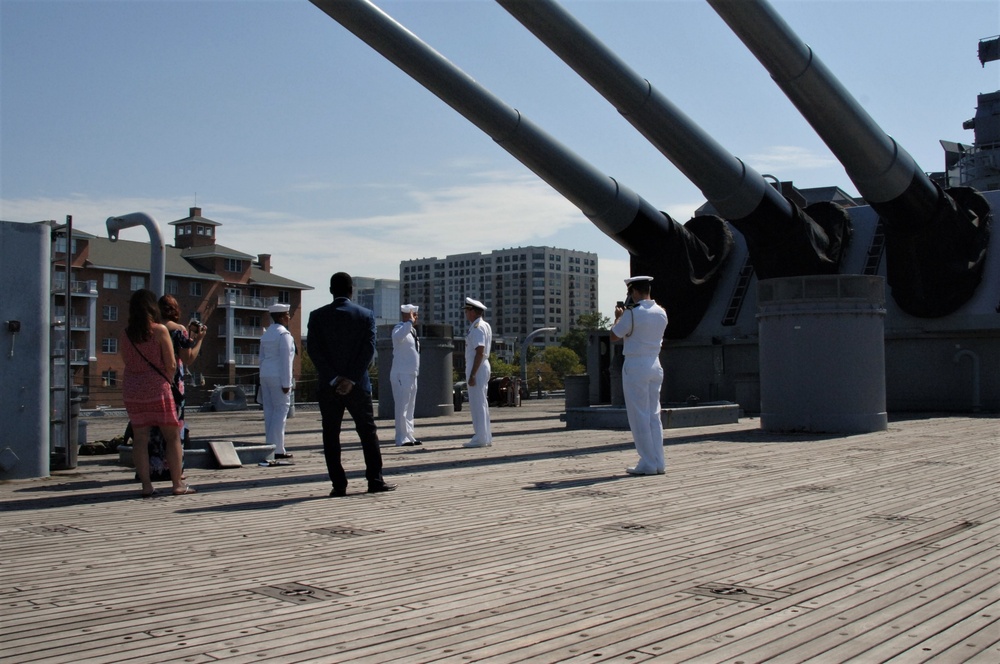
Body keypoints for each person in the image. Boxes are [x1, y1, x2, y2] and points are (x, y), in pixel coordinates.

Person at [307, 272, 397, 496]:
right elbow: (368, 349)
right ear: (351, 290)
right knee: (367, 433)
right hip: (358, 386)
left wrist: (334, 378)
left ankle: (338, 485)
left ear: (330, 290)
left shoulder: (316, 316)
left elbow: (314, 351)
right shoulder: (365, 315)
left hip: (329, 386)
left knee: (330, 434)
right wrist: (351, 379)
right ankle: (374, 480)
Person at [120, 289, 195, 497]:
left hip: (133, 388)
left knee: (140, 438)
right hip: (158, 388)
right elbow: (171, 363)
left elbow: (126, 360)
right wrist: (167, 379)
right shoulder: (159, 330)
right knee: (172, 437)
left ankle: (146, 486)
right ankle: (177, 484)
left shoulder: (126, 333)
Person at [610, 276, 669, 476]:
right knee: (654, 415)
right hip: (655, 363)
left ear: (634, 292)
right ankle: (659, 461)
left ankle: (647, 462)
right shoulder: (661, 312)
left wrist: (618, 317)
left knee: (639, 416)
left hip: (636, 364)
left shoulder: (632, 314)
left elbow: (614, 335)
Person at [259, 303, 296, 459]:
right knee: (280, 411)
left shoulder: (266, 334)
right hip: (278, 376)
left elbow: (261, 358)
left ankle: (269, 445)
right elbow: (286, 361)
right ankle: (278, 449)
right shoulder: (284, 335)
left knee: (269, 411)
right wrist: (287, 383)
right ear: (281, 316)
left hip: (265, 375)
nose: (289, 317)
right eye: (287, 314)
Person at [462, 297, 493, 448]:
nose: (466, 314)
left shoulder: (477, 327)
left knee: (477, 403)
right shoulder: (484, 325)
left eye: (467, 311)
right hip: (482, 365)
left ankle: (480, 437)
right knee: (481, 402)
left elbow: (479, 351)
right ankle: (485, 436)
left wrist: (473, 374)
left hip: (478, 366)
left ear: (473, 312)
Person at [390, 304, 421, 447]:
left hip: (411, 374)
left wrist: (410, 324)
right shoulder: (399, 329)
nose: (416, 316)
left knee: (410, 407)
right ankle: (401, 438)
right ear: (407, 315)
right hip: (401, 374)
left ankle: (409, 435)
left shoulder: (412, 331)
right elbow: (398, 336)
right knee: (402, 406)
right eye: (414, 314)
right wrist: (408, 322)